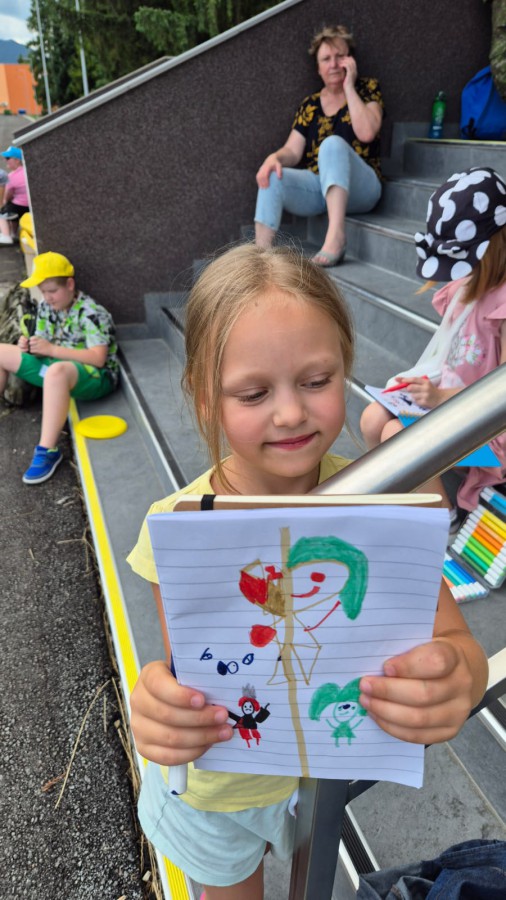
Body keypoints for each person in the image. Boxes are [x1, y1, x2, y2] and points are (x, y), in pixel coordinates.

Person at [127, 244, 488, 900]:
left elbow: (455, 641)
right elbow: (189, 671)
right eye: (254, 393)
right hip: (220, 788)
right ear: (205, 397)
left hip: (325, 770)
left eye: (317, 381)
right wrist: (156, 703)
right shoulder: (178, 526)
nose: (291, 412)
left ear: (345, 368)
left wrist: (458, 678)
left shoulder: (384, 503)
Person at [360, 166, 506, 521]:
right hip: (453, 403)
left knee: (396, 433)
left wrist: (440, 398)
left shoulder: (501, 306)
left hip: (488, 427)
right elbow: (449, 359)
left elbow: (499, 401)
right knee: (371, 418)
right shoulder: (469, 287)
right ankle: (397, 499)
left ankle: (440, 518)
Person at [254, 24, 384, 267]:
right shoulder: (310, 105)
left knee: (332, 145)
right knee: (272, 175)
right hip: (320, 189)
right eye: (326, 59)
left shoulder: (367, 90)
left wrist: (349, 87)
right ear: (318, 68)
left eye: (339, 56)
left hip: (362, 189)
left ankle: (336, 237)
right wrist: (275, 158)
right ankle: (260, 258)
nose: (333, 64)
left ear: (350, 60)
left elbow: (367, 133)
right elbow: (293, 151)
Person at [0, 251, 119, 484]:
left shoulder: (92, 312)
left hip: (95, 377)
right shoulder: (47, 307)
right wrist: (30, 346)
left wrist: (51, 350)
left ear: (70, 285)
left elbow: (98, 359)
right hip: (55, 369)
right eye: (43, 292)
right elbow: (42, 342)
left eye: (52, 291)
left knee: (56, 372)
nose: (47, 297)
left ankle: (47, 451)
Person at [0, 146, 29, 246]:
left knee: (4, 208)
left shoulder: (12, 176)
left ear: (17, 160)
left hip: (18, 208)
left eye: (8, 158)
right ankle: (13, 234)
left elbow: (6, 197)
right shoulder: (27, 171)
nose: (5, 160)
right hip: (30, 207)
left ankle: (7, 234)